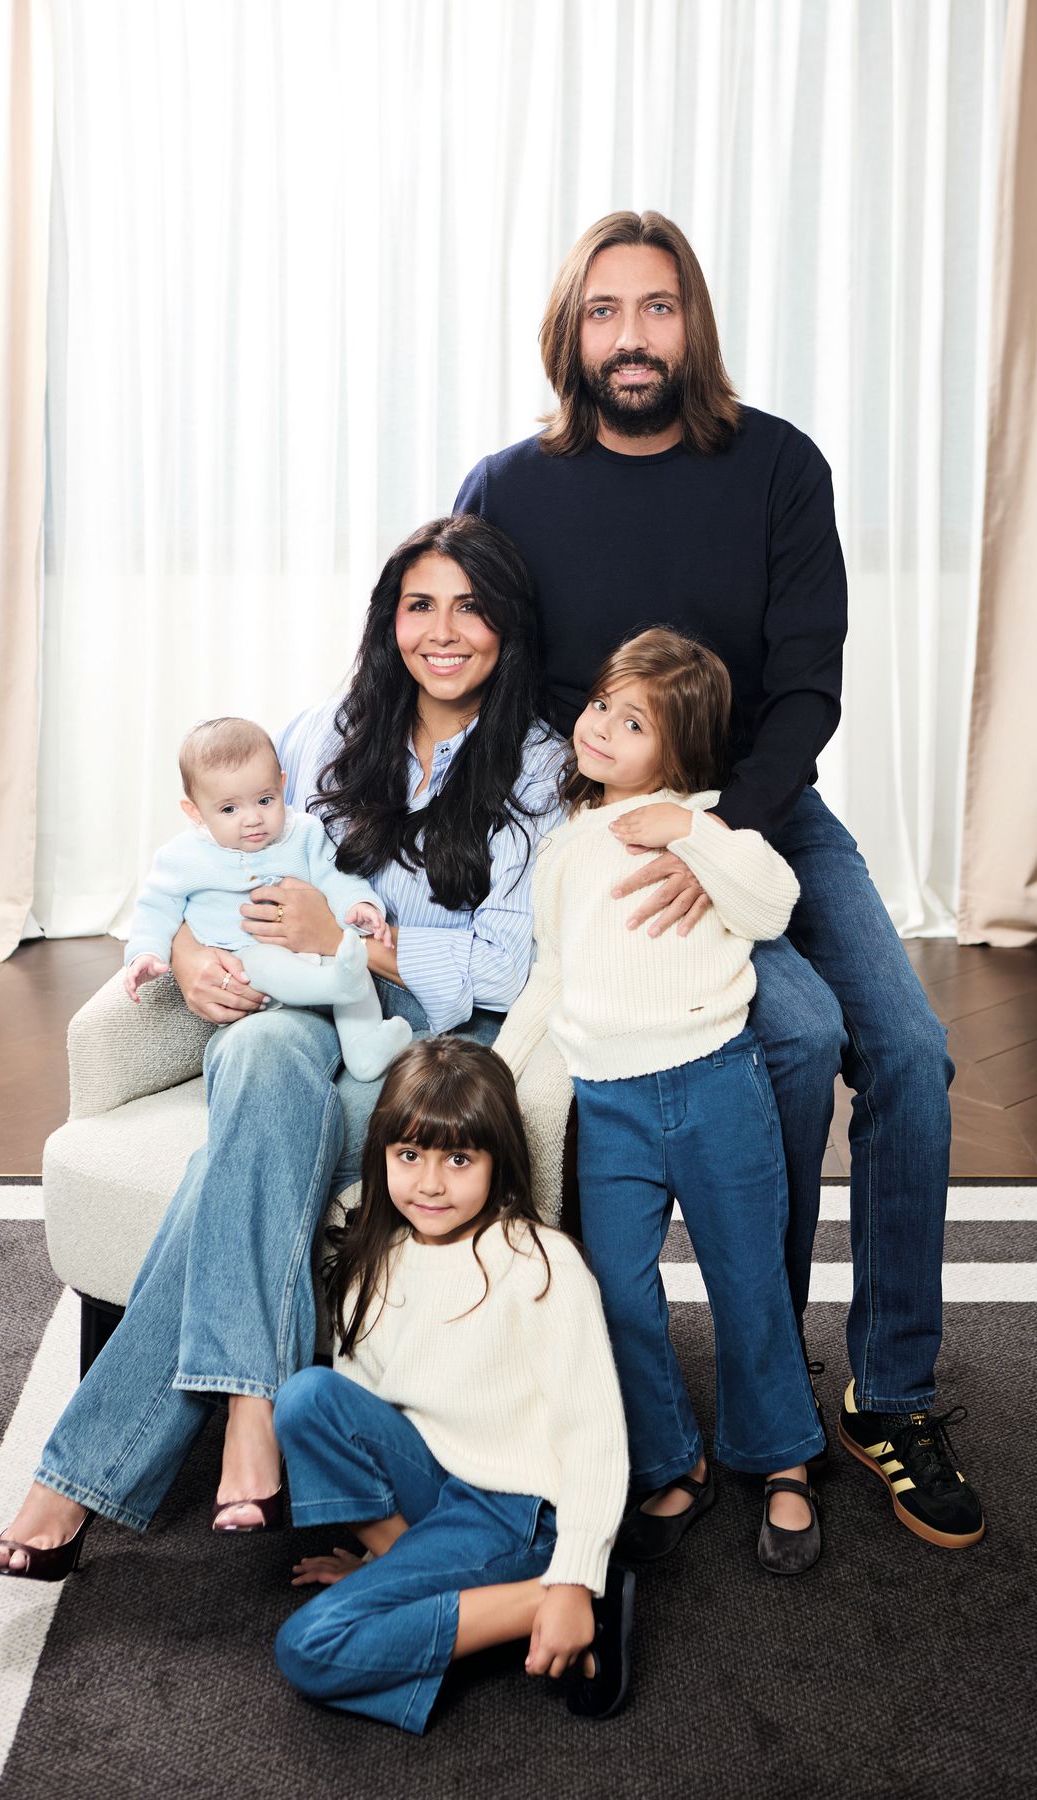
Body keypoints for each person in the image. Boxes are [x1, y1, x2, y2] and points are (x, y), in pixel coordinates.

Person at [456, 209, 984, 1551]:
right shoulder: (508, 488)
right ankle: (766, 1370)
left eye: (658, 307)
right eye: (605, 311)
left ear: (693, 322)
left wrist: (716, 833)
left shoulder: (779, 465)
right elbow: (473, 676)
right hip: (611, 841)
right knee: (794, 1038)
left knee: (909, 1053)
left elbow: (809, 685)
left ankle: (890, 1391)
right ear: (570, 332)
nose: (632, 336)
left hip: (766, 814)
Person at [0, 514, 563, 1580]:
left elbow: (500, 969)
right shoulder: (328, 730)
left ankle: (79, 1478)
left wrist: (350, 941)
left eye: (470, 608)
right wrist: (190, 951)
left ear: (508, 626)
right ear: (389, 619)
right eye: (419, 605)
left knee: (232, 1167)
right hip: (292, 1012)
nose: (442, 632)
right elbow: (208, 853)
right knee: (254, 1058)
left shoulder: (538, 767)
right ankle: (253, 1406)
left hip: (420, 1042)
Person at [495, 629, 825, 1575]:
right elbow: (551, 974)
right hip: (609, 1104)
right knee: (619, 1293)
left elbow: (772, 904)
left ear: (679, 753)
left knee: (748, 1283)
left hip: (716, 1084)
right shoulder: (566, 847)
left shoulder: (710, 824)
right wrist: (501, 1077)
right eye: (602, 704)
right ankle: (673, 1458)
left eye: (633, 722)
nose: (600, 726)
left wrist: (688, 831)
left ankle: (783, 1458)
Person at [273, 1036, 633, 1731]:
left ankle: (558, 1597)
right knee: (307, 1398)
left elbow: (594, 1434)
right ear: (382, 1155)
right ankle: (409, 1576)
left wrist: (573, 1576)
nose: (430, 1183)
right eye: (409, 1155)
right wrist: (386, 1570)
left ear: (498, 1162)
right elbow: (364, 1414)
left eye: (459, 1159)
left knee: (309, 1647)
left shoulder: (541, 1264)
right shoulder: (374, 1262)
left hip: (515, 1509)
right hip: (435, 1483)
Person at [123, 715, 412, 1084]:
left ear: (282, 785)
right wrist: (146, 953)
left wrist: (359, 905)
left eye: (264, 800)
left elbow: (336, 876)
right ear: (195, 812)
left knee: (352, 961)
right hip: (247, 964)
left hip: (319, 956)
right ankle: (336, 986)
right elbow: (155, 909)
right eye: (229, 809)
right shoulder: (182, 858)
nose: (253, 819)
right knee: (268, 961)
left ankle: (364, 1049)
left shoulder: (304, 834)